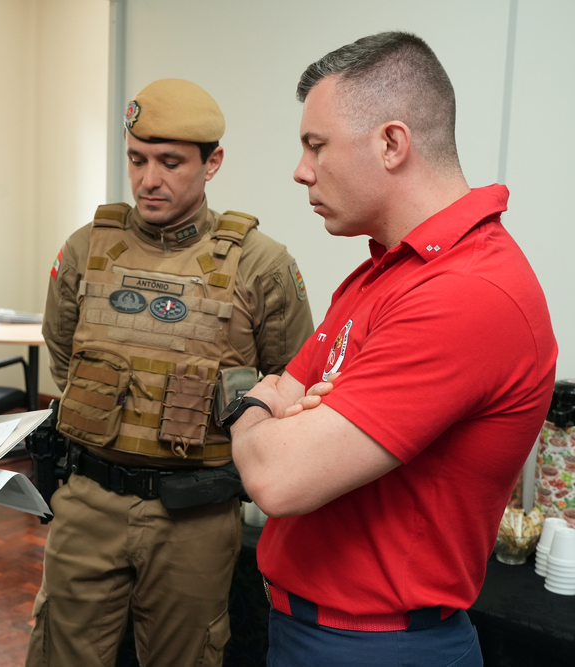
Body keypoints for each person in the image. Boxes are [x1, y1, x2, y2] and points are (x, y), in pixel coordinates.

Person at [228, 32, 557, 666]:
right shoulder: (382, 273)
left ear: (391, 144)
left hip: (380, 646)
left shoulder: (468, 293)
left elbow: (277, 477)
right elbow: (285, 409)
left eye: (316, 145)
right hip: (307, 629)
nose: (301, 170)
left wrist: (254, 409)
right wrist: (278, 415)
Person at [28, 78, 315, 667]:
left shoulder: (262, 266)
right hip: (88, 501)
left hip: (195, 516)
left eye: (170, 162)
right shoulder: (85, 249)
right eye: (137, 159)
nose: (148, 180)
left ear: (213, 163)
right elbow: (63, 356)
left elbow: (291, 384)